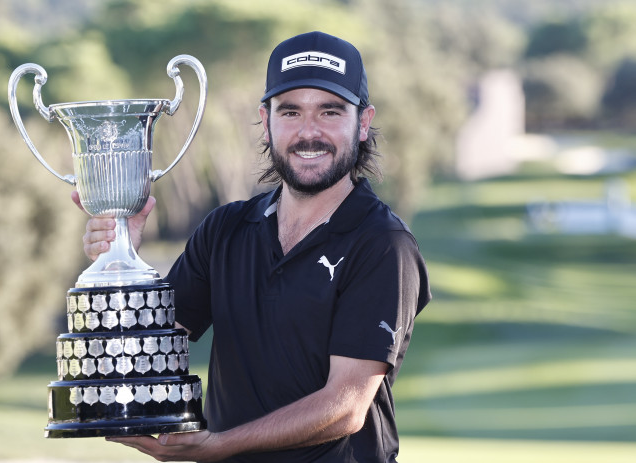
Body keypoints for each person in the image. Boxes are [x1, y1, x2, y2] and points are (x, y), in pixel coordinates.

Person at [74, 31, 431, 463]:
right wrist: (119, 263)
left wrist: (216, 446)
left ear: (364, 122)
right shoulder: (225, 229)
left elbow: (346, 408)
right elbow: (150, 355)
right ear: (266, 120)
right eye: (291, 111)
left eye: (330, 111)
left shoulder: (382, 244)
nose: (309, 132)